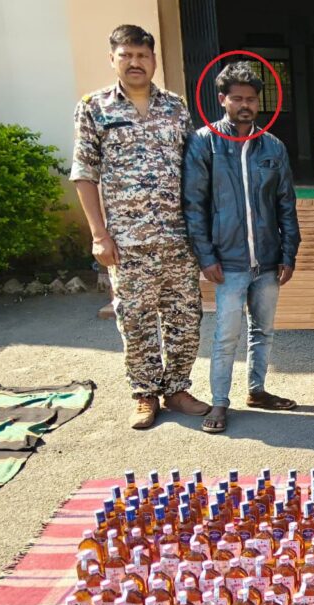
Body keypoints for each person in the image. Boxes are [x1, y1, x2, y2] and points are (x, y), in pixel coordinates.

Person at [70, 24, 208, 429]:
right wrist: (99, 234)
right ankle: (145, 394)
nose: (135, 62)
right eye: (126, 55)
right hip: (127, 242)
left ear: (154, 60)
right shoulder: (95, 107)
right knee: (135, 320)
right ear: (112, 58)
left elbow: (194, 169)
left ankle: (177, 389)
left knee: (185, 319)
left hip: (178, 239)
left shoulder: (176, 107)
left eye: (142, 55)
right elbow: (85, 173)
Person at [182, 62, 301, 434]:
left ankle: (257, 390)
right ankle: (219, 402)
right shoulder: (205, 143)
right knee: (226, 336)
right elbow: (194, 205)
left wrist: (289, 252)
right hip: (228, 261)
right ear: (223, 99)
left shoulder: (273, 146)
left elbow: (286, 203)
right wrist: (205, 256)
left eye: (251, 99)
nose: (245, 105)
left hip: (267, 260)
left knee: (263, 331)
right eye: (237, 98)